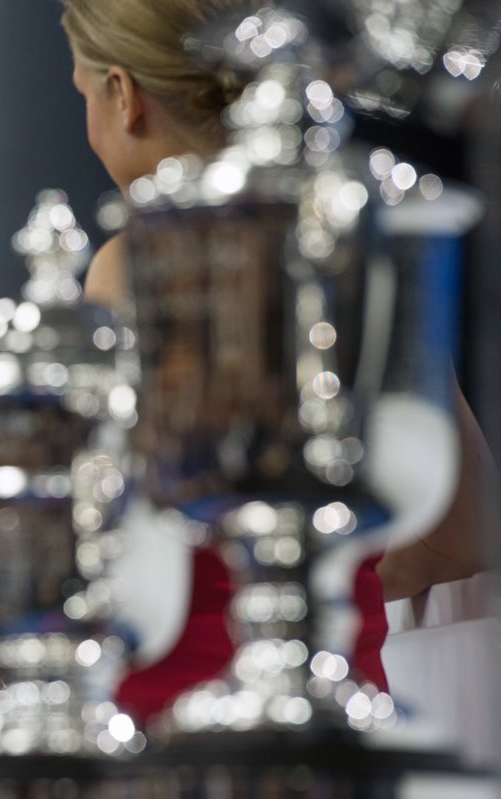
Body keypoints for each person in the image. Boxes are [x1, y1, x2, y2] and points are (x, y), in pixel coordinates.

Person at [61, 0, 498, 720]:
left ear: (123, 94)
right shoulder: (360, 251)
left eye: (84, 96)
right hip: (339, 711)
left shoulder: (135, 262)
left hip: (176, 718)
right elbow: (463, 532)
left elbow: (106, 557)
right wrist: (323, 573)